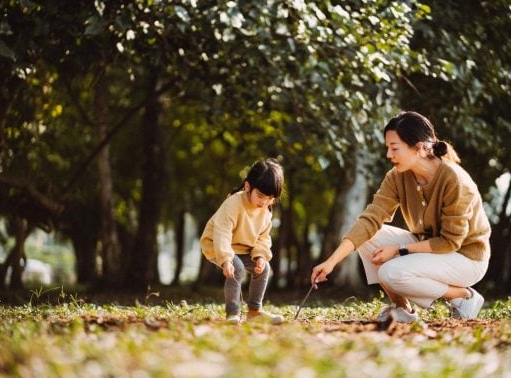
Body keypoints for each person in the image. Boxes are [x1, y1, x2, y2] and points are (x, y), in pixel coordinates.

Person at [311, 111, 491, 323]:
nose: (389, 154)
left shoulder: (455, 180)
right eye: (388, 147)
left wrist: (399, 250)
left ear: (419, 147)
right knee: (368, 236)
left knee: (390, 272)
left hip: (465, 258)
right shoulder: (397, 176)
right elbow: (371, 218)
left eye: (394, 148)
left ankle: (463, 296)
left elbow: (450, 241)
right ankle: (402, 309)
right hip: (429, 248)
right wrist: (332, 262)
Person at [200, 158, 285, 324]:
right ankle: (232, 312)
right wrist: (225, 260)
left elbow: (263, 237)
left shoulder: (266, 211)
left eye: (270, 198)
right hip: (217, 244)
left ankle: (254, 311)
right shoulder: (233, 204)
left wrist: (260, 257)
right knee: (236, 268)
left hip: (243, 249)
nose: (264, 202)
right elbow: (222, 233)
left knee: (264, 268)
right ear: (247, 187)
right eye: (260, 196)